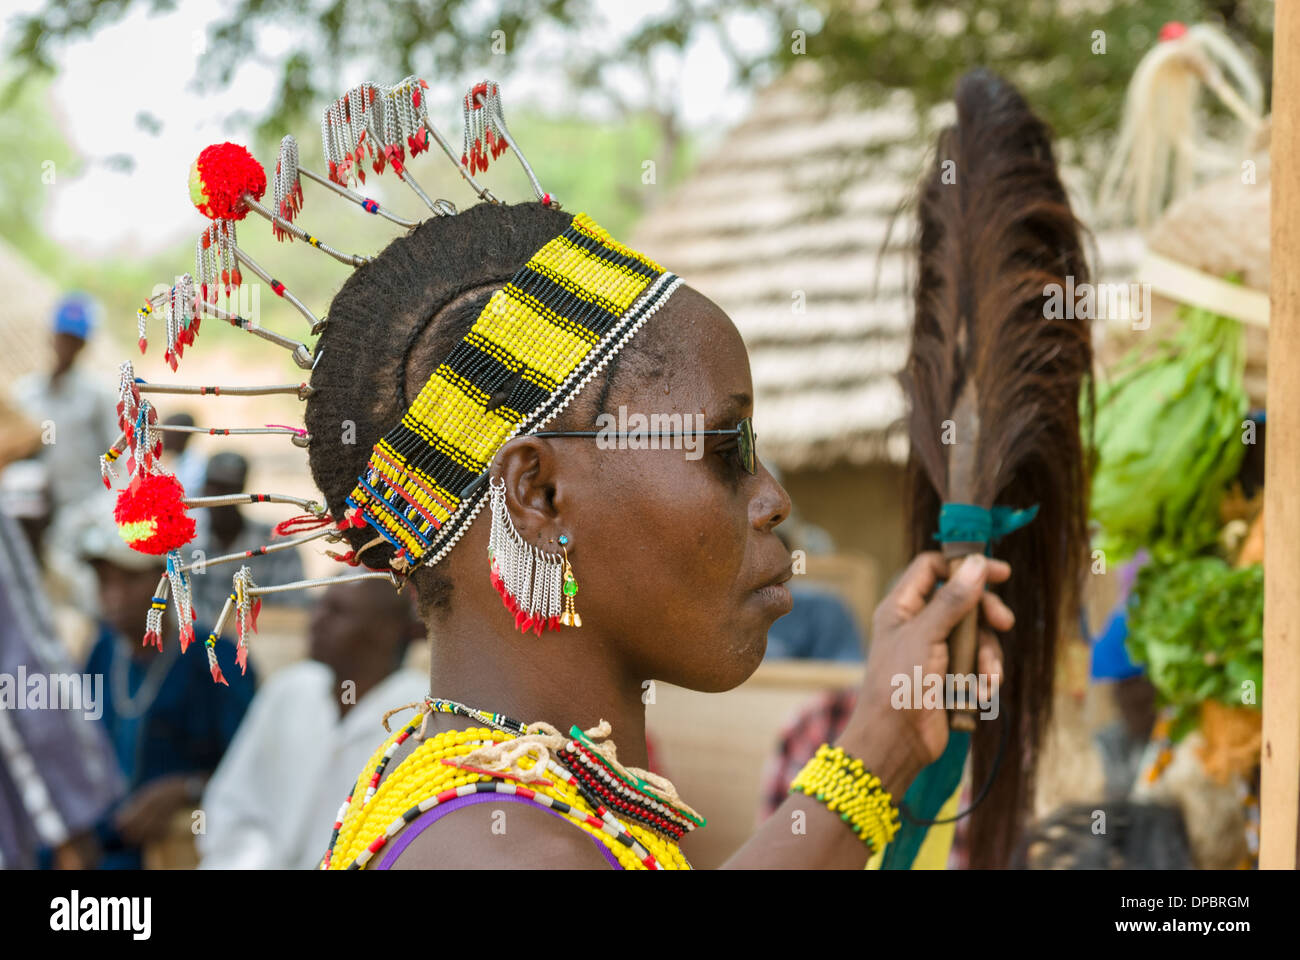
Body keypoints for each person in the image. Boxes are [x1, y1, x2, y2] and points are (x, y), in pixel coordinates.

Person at [292, 202, 1009, 869]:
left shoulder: (463, 794)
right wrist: (880, 748)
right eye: (727, 448)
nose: (774, 499)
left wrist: (889, 741)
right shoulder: (511, 854)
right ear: (538, 497)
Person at [198, 577, 427, 869]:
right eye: (318, 607)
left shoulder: (418, 715)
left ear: (386, 631)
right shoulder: (290, 690)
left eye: (337, 612)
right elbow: (233, 803)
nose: (316, 620)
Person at [80, 508, 255, 868]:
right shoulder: (103, 650)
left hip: (172, 847)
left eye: (129, 581)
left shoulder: (213, 658)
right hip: (100, 837)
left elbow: (251, 769)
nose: (114, 596)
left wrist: (186, 789)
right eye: (104, 582)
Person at [188, 451, 307, 620]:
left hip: (261, 640)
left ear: (242, 492)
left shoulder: (276, 545)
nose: (219, 498)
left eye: (228, 490)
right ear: (204, 489)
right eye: (213, 487)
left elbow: (292, 606)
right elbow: (185, 608)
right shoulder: (190, 545)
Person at [160, 411, 207, 495]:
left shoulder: (195, 464)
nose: (165, 439)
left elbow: (183, 493)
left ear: (183, 436)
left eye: (169, 434)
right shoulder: (172, 459)